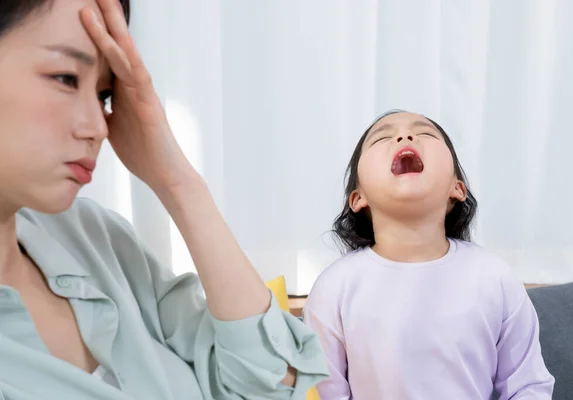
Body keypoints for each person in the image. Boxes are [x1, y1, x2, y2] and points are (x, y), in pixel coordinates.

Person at [0, 1, 328, 399]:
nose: (97, 128)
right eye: (66, 78)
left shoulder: (96, 238)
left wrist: (178, 182)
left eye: (105, 95)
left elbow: (275, 385)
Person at [303, 110, 554, 399]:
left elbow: (528, 387)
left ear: (457, 188)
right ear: (358, 198)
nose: (404, 136)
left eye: (424, 133)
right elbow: (325, 393)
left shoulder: (493, 276)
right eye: (382, 137)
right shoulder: (334, 287)